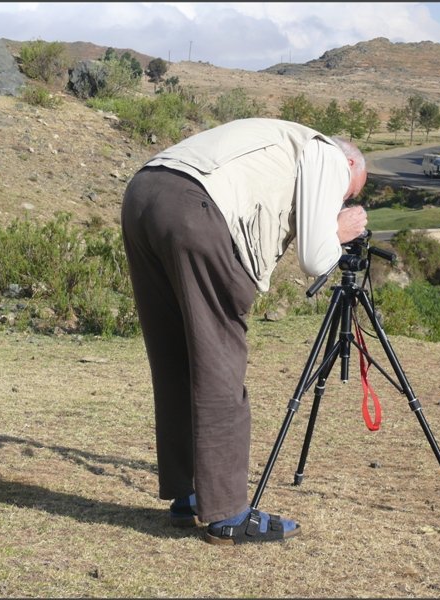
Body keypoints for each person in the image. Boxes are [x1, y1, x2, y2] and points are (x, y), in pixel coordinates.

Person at [120, 118, 368, 545]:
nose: (342, 198)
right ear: (349, 163)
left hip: (143, 194)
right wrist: (340, 230)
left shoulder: (278, 139)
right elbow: (315, 258)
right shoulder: (326, 153)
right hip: (195, 208)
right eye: (348, 193)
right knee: (218, 360)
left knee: (174, 355)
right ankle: (229, 514)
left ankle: (187, 494)